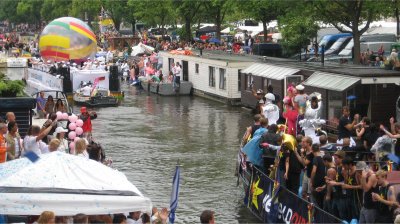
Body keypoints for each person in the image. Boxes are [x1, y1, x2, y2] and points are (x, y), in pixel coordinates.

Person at [310, 144, 325, 208]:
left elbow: (314, 171)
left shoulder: (315, 159)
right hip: (323, 182)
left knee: (316, 202)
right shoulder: (324, 157)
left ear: (312, 150)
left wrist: (311, 181)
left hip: (317, 183)